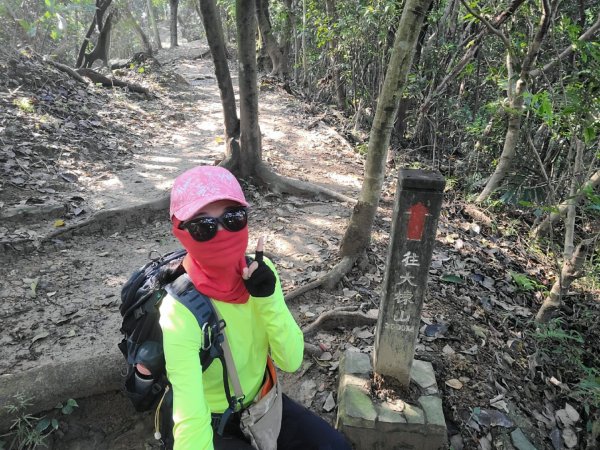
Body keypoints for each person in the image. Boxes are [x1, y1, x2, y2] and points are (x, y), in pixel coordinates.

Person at [152, 165, 351, 450]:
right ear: (181, 232)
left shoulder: (261, 272)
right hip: (214, 420)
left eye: (232, 218)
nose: (221, 232)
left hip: (264, 403)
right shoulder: (180, 310)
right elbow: (190, 413)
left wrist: (267, 298)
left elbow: (291, 360)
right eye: (203, 227)